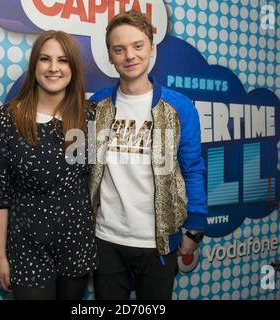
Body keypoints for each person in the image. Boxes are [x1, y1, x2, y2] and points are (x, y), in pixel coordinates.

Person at [89, 10, 208, 300]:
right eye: (120, 49)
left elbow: (192, 168)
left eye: (137, 46)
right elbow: (85, 165)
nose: (130, 55)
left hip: (159, 242)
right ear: (110, 56)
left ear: (151, 48)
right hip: (106, 238)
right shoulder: (96, 105)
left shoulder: (179, 107)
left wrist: (195, 228)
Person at [0, 30, 97, 300]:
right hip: (27, 247)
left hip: (78, 243)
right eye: (45, 59)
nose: (54, 68)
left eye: (63, 60)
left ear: (73, 68)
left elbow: (98, 179)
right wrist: (1, 257)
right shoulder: (6, 119)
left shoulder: (90, 115)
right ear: (35, 64)